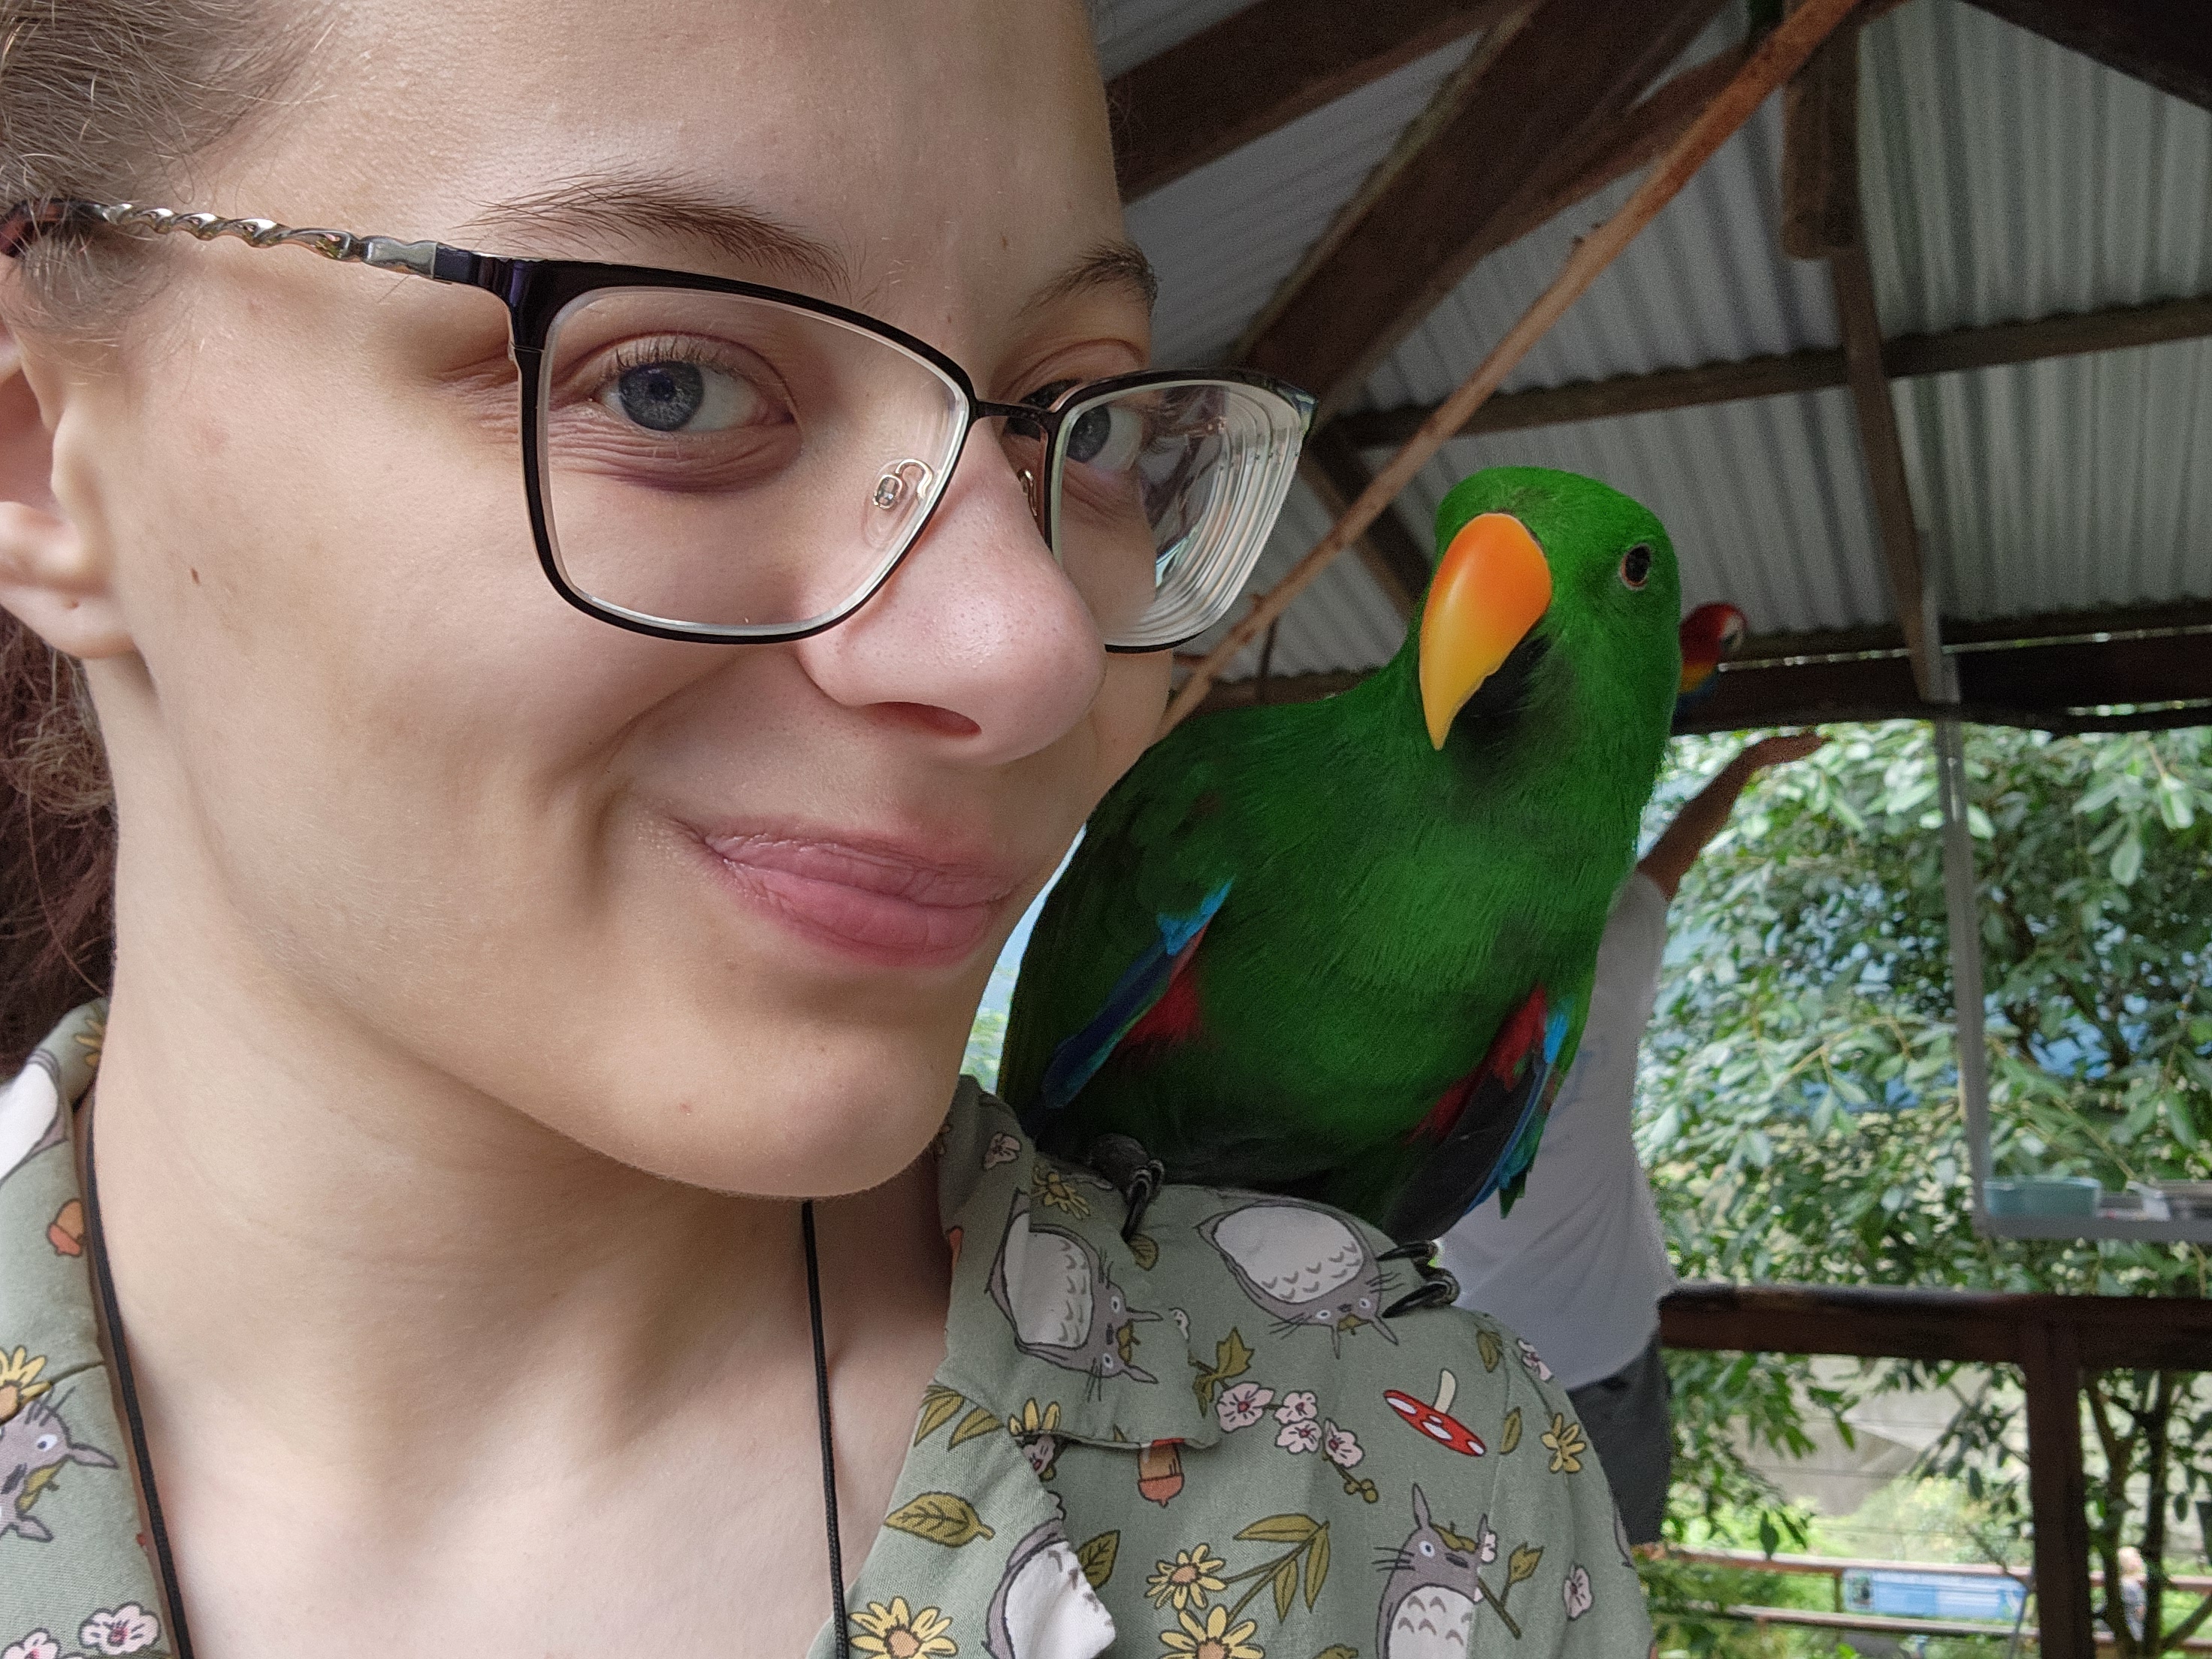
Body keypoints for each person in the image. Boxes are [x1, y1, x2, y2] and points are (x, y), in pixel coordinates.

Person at [0, 4, 1649, 1654]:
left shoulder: (1423, 1494)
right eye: (664, 383)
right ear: (39, 459)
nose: (1032, 646)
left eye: (1074, 415)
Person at [1438, 733, 1826, 1546]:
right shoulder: (1609, 961)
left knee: (1477, 1579)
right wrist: (1744, 766)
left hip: (1476, 1362)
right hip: (1604, 1355)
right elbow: (1676, 854)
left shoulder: (1418, 1008)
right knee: (1610, 1580)